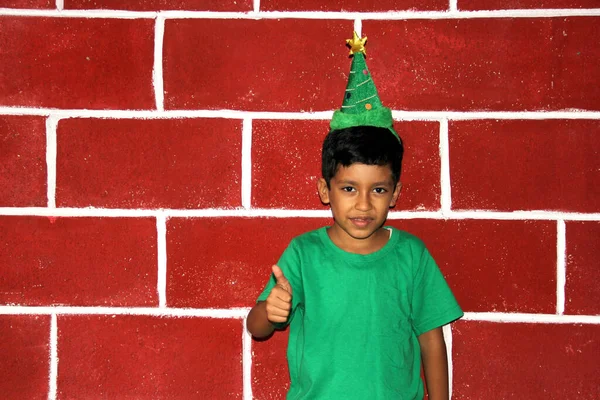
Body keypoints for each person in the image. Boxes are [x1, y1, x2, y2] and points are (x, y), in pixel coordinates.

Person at [247, 32, 463, 400]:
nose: (363, 204)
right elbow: (257, 327)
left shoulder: (411, 255)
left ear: (394, 194)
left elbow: (431, 341)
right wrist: (271, 309)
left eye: (377, 190)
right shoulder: (304, 253)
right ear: (324, 190)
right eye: (349, 188)